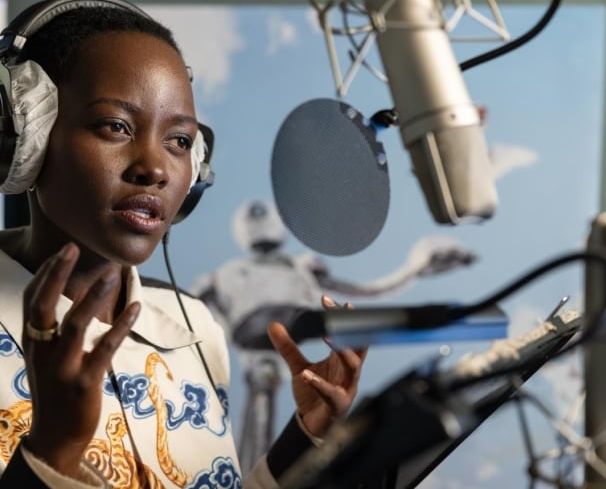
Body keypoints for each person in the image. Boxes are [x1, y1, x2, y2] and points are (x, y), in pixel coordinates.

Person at [0, 0, 367, 489]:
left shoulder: (194, 327)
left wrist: (305, 440)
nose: (156, 168)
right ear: (25, 138)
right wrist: (52, 452)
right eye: (115, 127)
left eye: (179, 140)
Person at [191, 198, 477, 473]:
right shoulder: (227, 275)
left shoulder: (299, 269)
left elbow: (368, 291)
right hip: (272, 330)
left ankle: (435, 318)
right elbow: (196, 318)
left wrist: (414, 269)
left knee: (343, 325)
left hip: (297, 325)